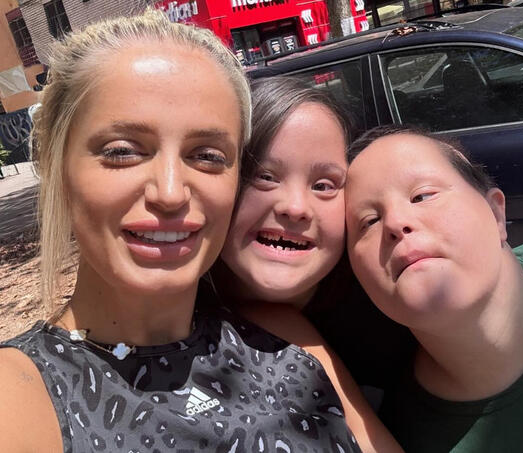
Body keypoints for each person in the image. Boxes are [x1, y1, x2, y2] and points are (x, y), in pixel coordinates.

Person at [0, 12, 364, 452]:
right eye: (123, 151)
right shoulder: (19, 395)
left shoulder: (285, 341)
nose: (171, 193)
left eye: (207, 156)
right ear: (56, 167)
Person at [344, 124, 523, 452]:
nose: (395, 223)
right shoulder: (396, 441)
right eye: (368, 222)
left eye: (422, 196)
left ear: (496, 213)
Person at [209, 76, 406, 452]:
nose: (295, 207)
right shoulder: (172, 318)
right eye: (265, 177)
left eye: (324, 185)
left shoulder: (393, 308)